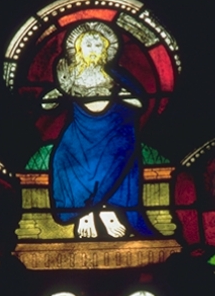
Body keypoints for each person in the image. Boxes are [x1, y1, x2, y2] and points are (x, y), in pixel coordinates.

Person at [42, 21, 153, 239]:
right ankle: (85, 213)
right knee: (62, 157)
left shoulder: (116, 75)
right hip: (80, 132)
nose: (93, 49)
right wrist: (60, 91)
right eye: (88, 45)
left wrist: (119, 93)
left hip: (114, 129)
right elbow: (46, 105)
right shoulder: (69, 76)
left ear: (105, 49)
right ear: (78, 49)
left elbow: (140, 103)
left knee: (121, 152)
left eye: (98, 45)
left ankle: (107, 210)